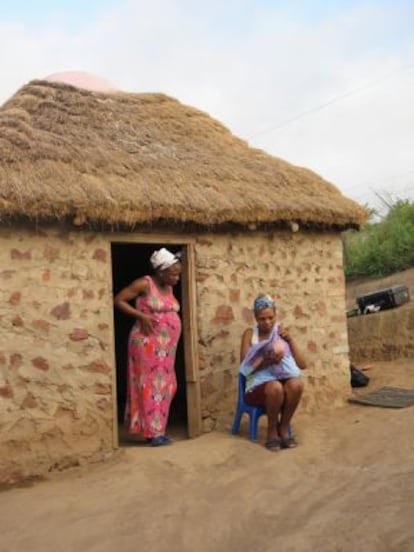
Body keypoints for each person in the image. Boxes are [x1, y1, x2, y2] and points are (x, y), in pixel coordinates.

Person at [114, 247, 182, 447]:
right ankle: (153, 433)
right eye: (173, 274)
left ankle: (156, 429)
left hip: (166, 350)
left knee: (168, 385)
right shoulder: (145, 283)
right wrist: (141, 315)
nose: (177, 278)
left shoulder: (168, 286)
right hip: (146, 344)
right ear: (161, 271)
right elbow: (119, 300)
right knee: (150, 385)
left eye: (178, 274)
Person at [240, 293, 307, 451]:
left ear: (275, 315)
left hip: (281, 381)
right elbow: (244, 369)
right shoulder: (250, 335)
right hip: (257, 386)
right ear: (256, 318)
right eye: (262, 319)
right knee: (275, 387)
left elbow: (303, 364)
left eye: (271, 317)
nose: (267, 322)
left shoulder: (282, 333)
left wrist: (290, 340)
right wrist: (266, 361)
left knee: (296, 385)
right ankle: (271, 432)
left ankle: (283, 428)